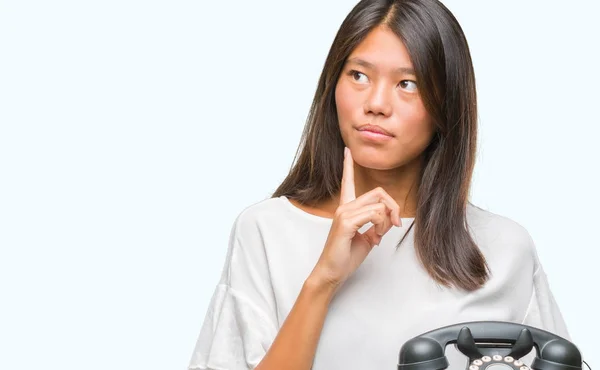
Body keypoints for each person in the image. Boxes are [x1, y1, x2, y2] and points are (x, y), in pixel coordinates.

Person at [188, 0, 572, 369]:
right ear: (332, 87)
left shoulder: (504, 248)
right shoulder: (266, 231)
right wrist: (323, 280)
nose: (375, 103)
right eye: (358, 75)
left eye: (407, 84)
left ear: (446, 106)